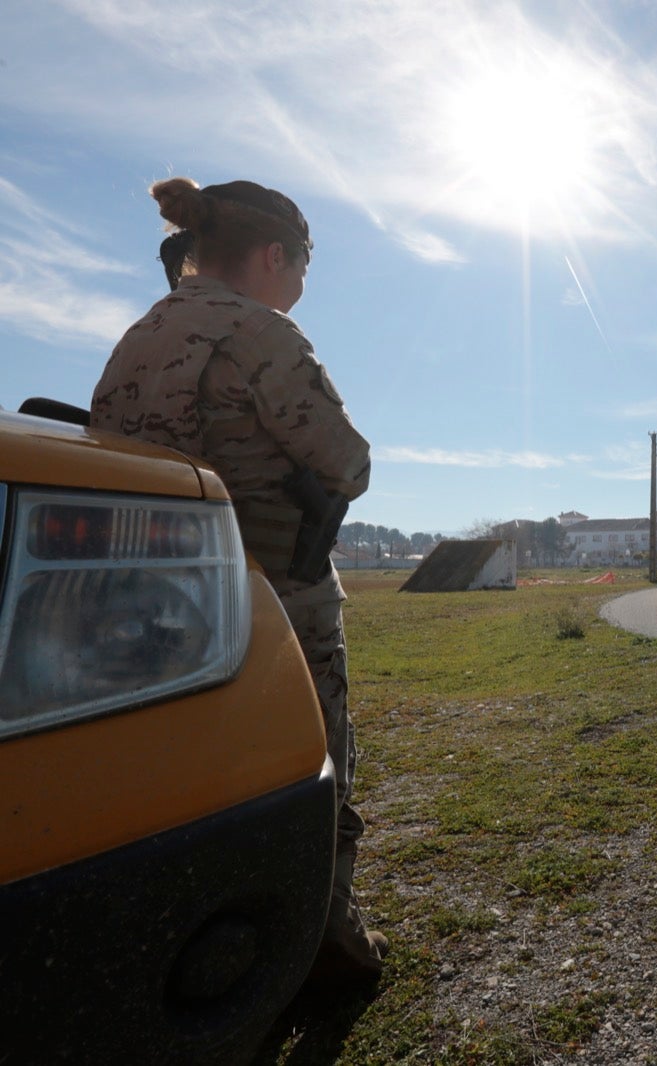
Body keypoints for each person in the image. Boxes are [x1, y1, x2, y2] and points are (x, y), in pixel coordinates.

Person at [89, 176, 388, 983]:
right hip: (275, 604)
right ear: (270, 255)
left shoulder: (138, 337)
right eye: (300, 269)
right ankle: (326, 938)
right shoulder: (263, 335)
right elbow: (348, 464)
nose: (299, 289)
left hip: (152, 610)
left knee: (184, 782)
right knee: (317, 764)